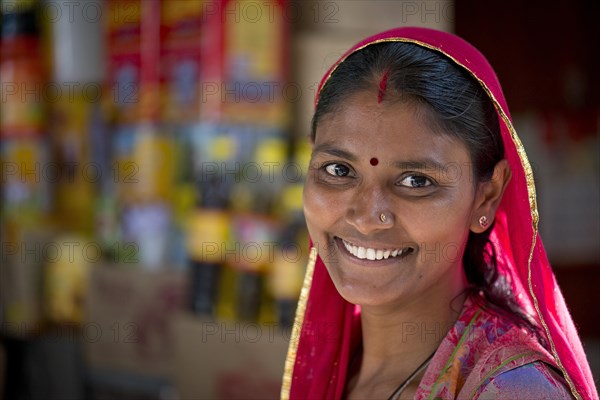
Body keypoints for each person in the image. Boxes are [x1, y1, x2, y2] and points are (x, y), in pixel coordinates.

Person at [280, 27, 597, 399]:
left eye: (416, 181)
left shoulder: (511, 391)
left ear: (486, 197)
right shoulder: (336, 364)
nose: (366, 216)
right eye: (338, 171)